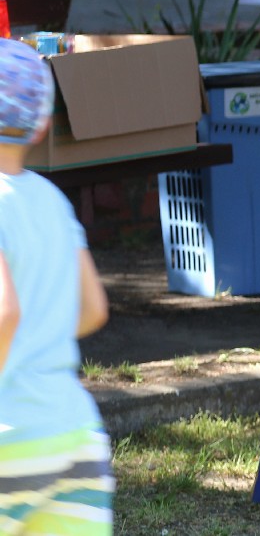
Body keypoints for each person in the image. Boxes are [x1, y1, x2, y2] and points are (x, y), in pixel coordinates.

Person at [0, 38, 115, 534]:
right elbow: (92, 310)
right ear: (41, 125)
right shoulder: (51, 200)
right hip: (75, 434)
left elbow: (4, 313)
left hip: (12, 436)